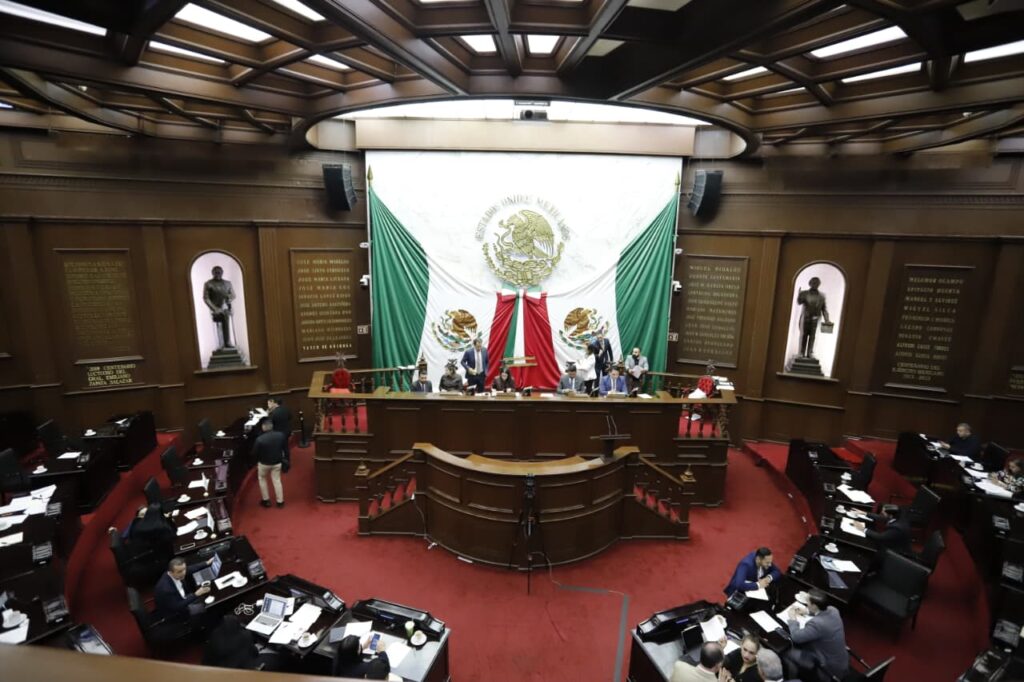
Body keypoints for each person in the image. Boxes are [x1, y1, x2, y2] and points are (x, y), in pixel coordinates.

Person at [783, 589, 848, 681]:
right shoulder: (833, 610)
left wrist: (793, 619)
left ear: (814, 605)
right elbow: (820, 613)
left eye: (808, 603)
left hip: (828, 668)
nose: (806, 604)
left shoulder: (817, 624)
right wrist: (807, 611)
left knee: (787, 653)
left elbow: (796, 637)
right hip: (841, 661)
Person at [153, 556, 213, 624]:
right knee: (207, 607)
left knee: (204, 597)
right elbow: (177, 607)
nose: (183, 573)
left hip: (181, 598)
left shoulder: (174, 572)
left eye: (184, 569)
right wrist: (196, 594)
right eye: (180, 571)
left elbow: (190, 568)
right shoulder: (166, 589)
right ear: (171, 572)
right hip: (176, 613)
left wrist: (207, 563)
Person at [253, 419, 287, 508]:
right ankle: (280, 502)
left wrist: (257, 461)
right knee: (277, 481)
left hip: (264, 464)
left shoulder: (259, 439)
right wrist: (286, 459)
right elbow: (285, 449)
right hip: (277, 462)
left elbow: (254, 453)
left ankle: (266, 500)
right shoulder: (281, 435)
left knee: (262, 479)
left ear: (263, 427)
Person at [202, 265, 236, 349]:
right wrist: (215, 308)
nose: (218, 274)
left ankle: (226, 342)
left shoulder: (228, 283)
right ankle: (223, 343)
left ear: (222, 273)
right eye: (216, 272)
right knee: (222, 317)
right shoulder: (208, 284)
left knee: (226, 315)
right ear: (212, 273)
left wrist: (229, 298)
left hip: (225, 307)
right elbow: (206, 298)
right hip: (215, 309)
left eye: (219, 272)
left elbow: (233, 295)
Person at [796, 277, 829, 358]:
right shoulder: (804, 293)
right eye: (813, 283)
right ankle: (801, 352)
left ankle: (810, 352)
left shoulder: (822, 296)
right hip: (806, 318)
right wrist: (799, 295)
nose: (815, 284)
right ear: (810, 283)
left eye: (817, 283)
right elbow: (799, 302)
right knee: (804, 335)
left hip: (816, 319)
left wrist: (827, 319)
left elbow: (824, 309)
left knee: (813, 336)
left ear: (819, 284)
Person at [267, 396, 292, 461]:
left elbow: (270, 423)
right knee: (286, 447)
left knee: (280, 448)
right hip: (287, 431)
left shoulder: (273, 413)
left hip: (278, 434)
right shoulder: (286, 409)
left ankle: (283, 461)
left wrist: (268, 413)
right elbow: (290, 417)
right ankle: (287, 460)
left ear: (275, 403)